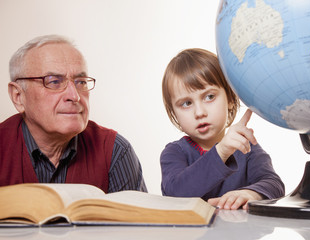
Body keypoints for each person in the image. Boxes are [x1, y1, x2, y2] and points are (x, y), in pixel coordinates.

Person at [0, 35, 147, 193]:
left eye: (81, 82)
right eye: (54, 82)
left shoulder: (115, 151)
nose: (75, 96)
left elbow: (136, 218)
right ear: (18, 96)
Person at [160, 48, 284, 210]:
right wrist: (221, 152)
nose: (199, 112)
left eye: (209, 97)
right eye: (186, 103)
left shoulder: (246, 147)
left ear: (231, 99)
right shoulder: (174, 153)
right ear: (174, 113)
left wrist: (251, 193)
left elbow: (274, 184)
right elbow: (176, 194)